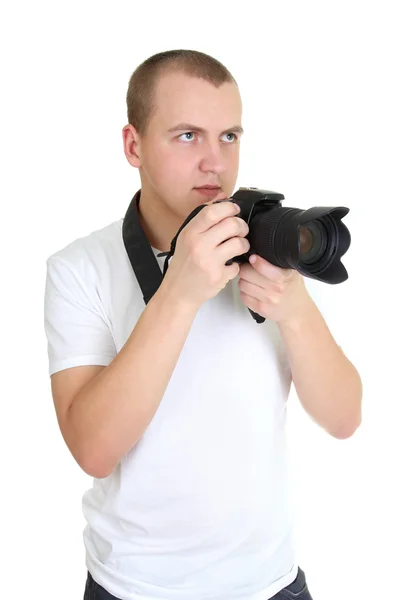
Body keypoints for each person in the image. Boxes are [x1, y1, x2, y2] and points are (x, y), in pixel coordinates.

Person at [43, 49, 362, 600]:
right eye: (188, 136)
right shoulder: (79, 268)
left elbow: (344, 419)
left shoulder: (274, 246)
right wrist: (179, 294)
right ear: (133, 145)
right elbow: (93, 449)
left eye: (229, 136)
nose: (215, 161)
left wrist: (297, 311)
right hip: (133, 586)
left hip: (272, 584)